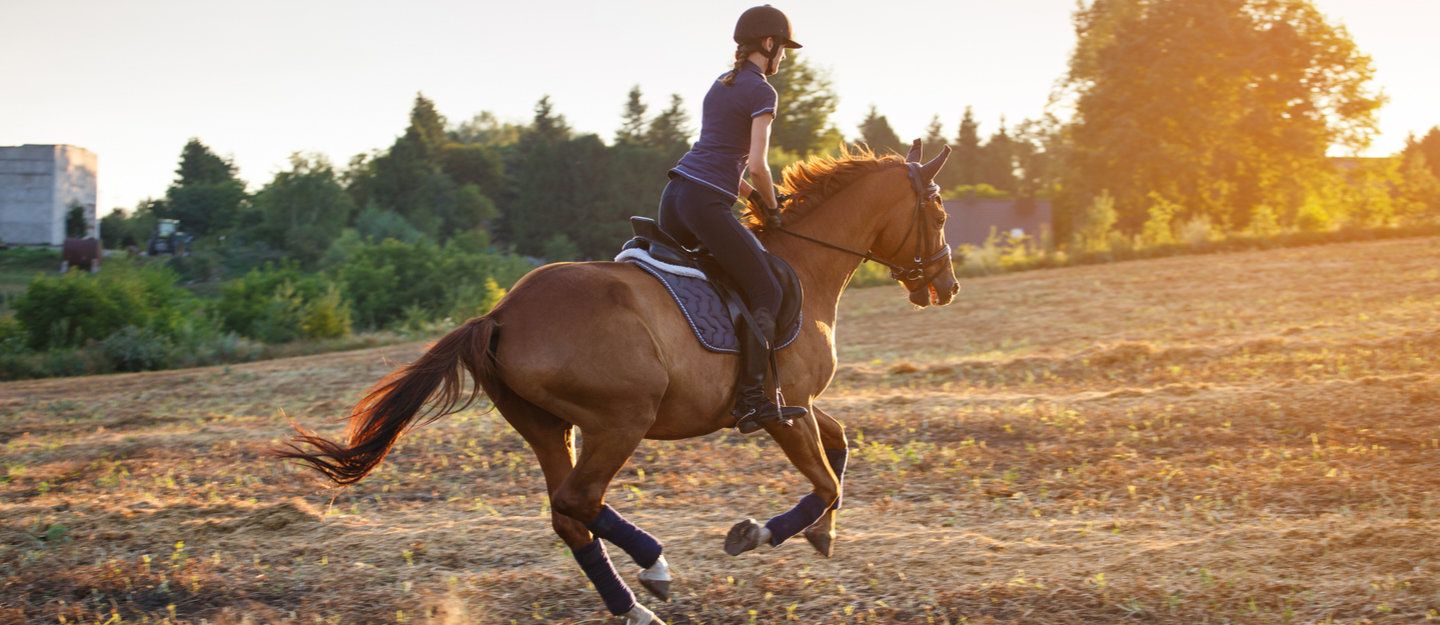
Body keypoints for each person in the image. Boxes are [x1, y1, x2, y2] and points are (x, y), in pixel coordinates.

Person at [658, 5, 807, 434]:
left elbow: (722, 158)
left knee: (720, 276)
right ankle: (751, 398)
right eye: (783, 48)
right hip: (705, 203)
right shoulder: (762, 92)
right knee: (766, 287)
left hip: (676, 196)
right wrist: (773, 209)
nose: (784, 57)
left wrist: (753, 197)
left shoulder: (720, 84)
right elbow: (757, 165)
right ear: (768, 44)